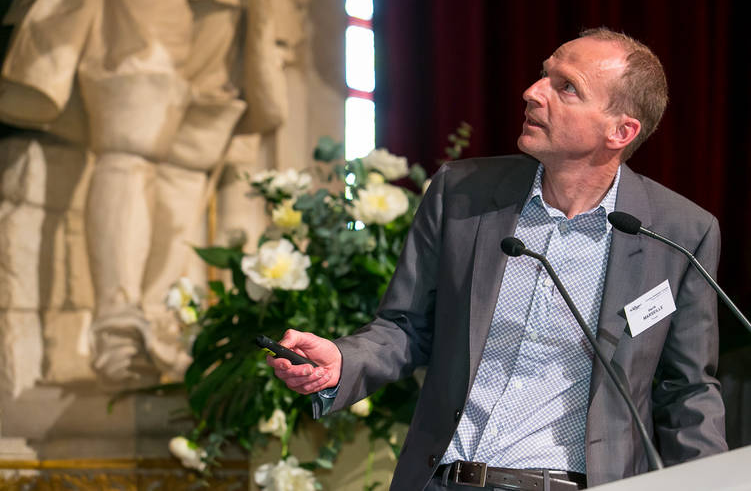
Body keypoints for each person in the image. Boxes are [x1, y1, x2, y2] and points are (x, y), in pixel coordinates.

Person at [267, 28, 728, 490]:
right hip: (446, 479)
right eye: (544, 75)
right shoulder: (462, 193)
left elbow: (686, 390)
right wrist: (342, 361)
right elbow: (405, 326)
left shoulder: (678, 234)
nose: (533, 92)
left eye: (567, 87)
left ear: (620, 131)